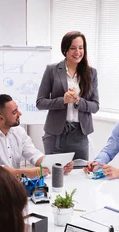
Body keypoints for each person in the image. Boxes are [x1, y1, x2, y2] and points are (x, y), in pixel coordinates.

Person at [36, 31, 99, 160]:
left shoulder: (91, 73)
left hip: (79, 134)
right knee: (55, 175)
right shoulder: (52, 70)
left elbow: (95, 106)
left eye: (81, 48)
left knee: (80, 175)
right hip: (55, 135)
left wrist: (78, 101)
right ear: (65, 49)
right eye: (73, 48)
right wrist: (62, 100)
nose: (77, 52)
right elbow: (40, 102)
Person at [0, 94, 71, 177]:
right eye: (14, 112)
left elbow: (34, 155)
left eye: (17, 109)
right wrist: (27, 173)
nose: (20, 114)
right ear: (1, 118)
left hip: (15, 186)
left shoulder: (19, 131)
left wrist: (58, 165)